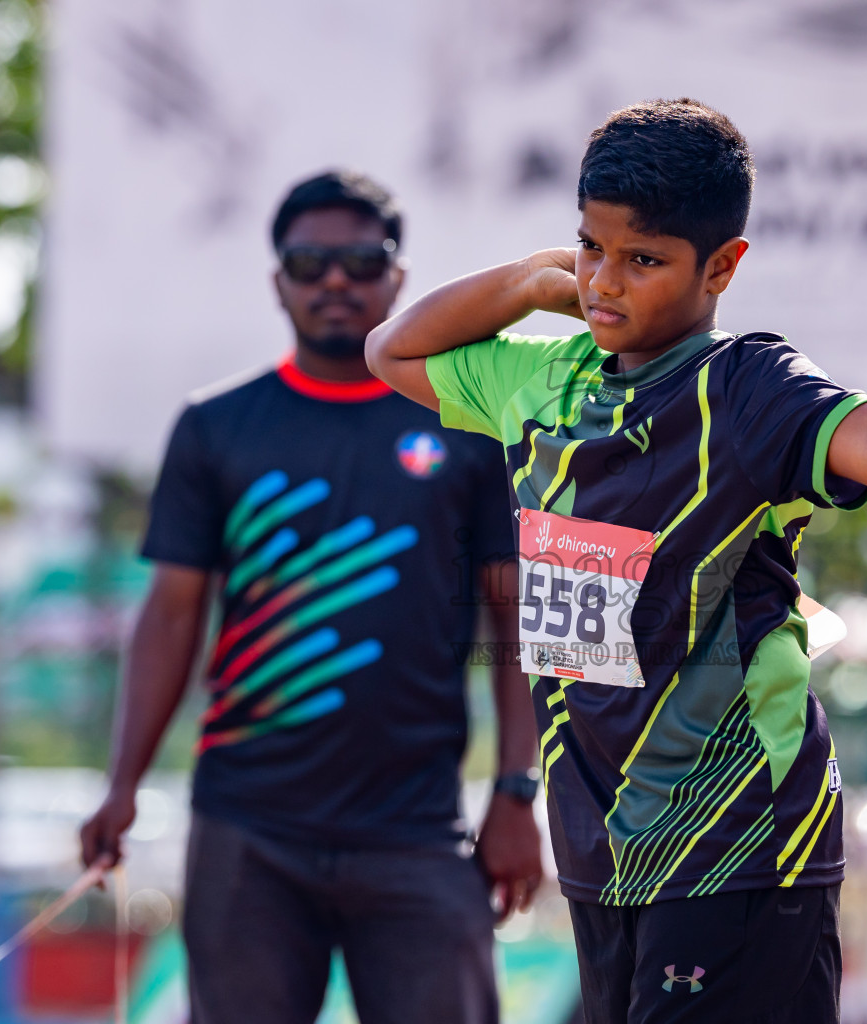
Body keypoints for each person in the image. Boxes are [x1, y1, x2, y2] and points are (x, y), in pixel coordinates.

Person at [364, 99, 867, 1024]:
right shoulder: (545, 380)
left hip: (735, 846)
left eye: (644, 260)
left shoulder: (743, 390)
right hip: (602, 856)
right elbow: (393, 350)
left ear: (723, 267)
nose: (604, 283)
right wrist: (526, 281)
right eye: (590, 249)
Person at [79, 170, 542, 1024]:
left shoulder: (469, 427)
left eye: (362, 261)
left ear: (398, 278)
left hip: (418, 829)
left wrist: (517, 794)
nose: (337, 280)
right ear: (277, 280)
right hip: (248, 831)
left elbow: (516, 617)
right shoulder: (216, 426)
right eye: (311, 261)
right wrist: (122, 783)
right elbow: (172, 614)